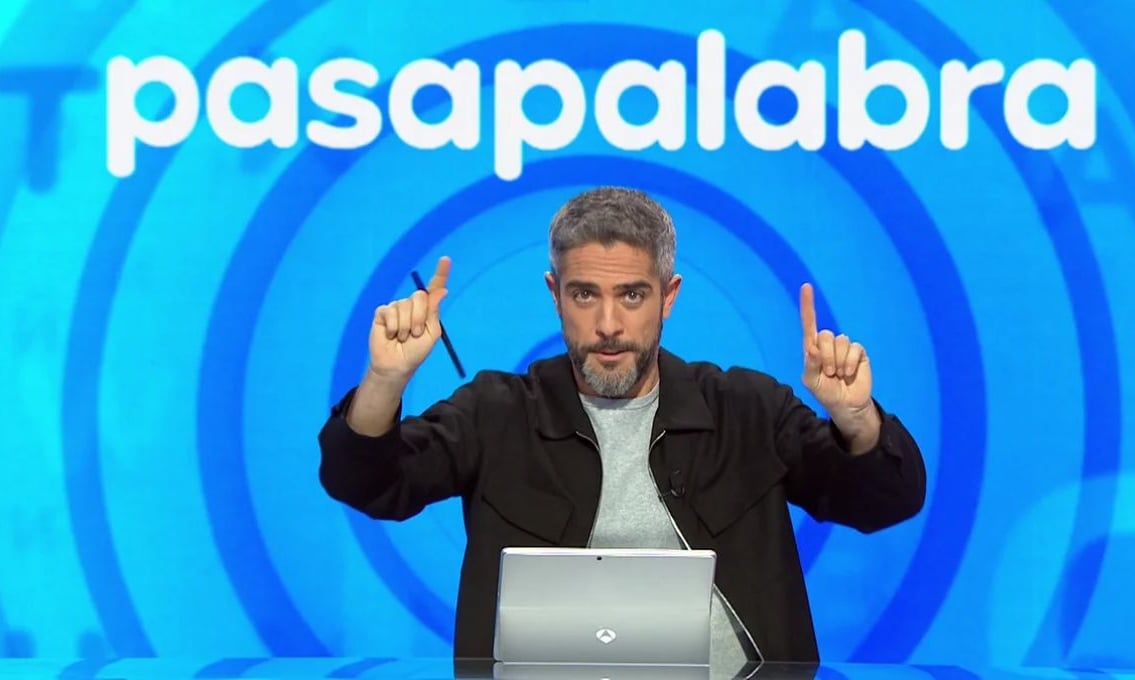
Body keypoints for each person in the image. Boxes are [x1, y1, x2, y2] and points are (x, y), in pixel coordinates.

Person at [317, 186, 926, 670]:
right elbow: (366, 482)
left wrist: (855, 417)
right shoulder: (496, 412)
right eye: (585, 295)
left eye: (632, 296)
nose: (608, 324)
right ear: (555, 295)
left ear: (668, 297)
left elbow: (886, 499)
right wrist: (385, 380)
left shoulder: (748, 409)